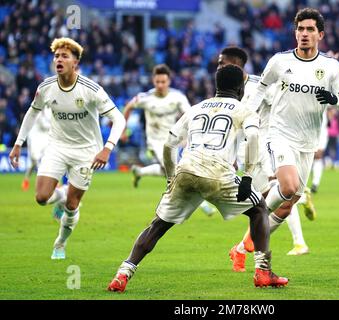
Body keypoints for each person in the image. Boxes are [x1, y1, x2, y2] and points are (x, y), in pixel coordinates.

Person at [107, 65, 288, 292]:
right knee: (259, 209)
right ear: (240, 89)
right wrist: (248, 177)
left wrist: (171, 176)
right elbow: (252, 137)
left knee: (158, 225)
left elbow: (170, 143)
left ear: (216, 86)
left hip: (186, 170)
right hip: (217, 173)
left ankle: (122, 274)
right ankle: (263, 272)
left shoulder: (197, 107)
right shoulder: (244, 110)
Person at [230, 7, 339, 265]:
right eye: (300, 29)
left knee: (289, 204)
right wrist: (245, 116)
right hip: (279, 134)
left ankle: (245, 245)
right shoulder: (279, 61)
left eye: (310, 29)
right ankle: (258, 214)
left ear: (320, 34)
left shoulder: (331, 67)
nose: (304, 34)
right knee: (287, 187)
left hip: (308, 142)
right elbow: (259, 91)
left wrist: (334, 100)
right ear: (295, 32)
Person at [9, 37, 126, 259]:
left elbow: (119, 119)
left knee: (73, 204)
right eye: (56, 56)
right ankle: (61, 194)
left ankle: (60, 243)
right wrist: (18, 143)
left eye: (64, 56)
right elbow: (32, 112)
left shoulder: (91, 89)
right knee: (41, 197)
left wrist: (107, 148)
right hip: (57, 147)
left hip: (87, 152)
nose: (59, 60)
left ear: (76, 63)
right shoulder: (46, 87)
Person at [218, 46, 315, 263]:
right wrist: (231, 156)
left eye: (221, 63)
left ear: (234, 63)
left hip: (269, 146)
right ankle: (243, 248)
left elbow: (284, 105)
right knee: (265, 204)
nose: (218, 67)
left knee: (282, 196)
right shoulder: (225, 91)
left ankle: (298, 241)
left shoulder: (259, 84)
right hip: (247, 153)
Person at [122, 64, 216, 215]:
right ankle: (202, 205)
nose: (160, 85)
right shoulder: (145, 97)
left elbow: (190, 115)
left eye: (163, 82)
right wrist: (123, 130)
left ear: (169, 81)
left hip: (172, 140)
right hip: (155, 142)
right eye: (157, 82)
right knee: (177, 171)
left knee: (169, 171)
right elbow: (128, 107)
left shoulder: (177, 97)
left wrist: (192, 135)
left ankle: (140, 172)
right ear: (153, 81)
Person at [21, 105, 52, 191]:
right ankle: (27, 180)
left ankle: (48, 181)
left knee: (48, 159)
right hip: (34, 138)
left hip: (45, 137)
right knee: (33, 160)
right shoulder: (37, 110)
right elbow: (44, 125)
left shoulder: (50, 110)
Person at [310, 108, 329, 193]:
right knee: (307, 156)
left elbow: (332, 107)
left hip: (321, 130)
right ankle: (301, 185)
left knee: (318, 156)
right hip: (306, 129)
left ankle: (315, 183)